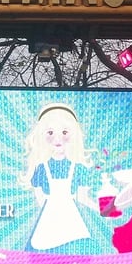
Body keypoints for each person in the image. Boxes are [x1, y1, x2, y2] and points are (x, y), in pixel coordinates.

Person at [21, 102, 94, 250]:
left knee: (77, 257)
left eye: (65, 133)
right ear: (41, 135)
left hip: (72, 222)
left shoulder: (78, 168)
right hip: (49, 222)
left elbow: (83, 198)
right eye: (50, 133)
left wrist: (104, 209)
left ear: (74, 134)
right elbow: (40, 199)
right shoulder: (41, 168)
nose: (57, 139)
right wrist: (53, 214)